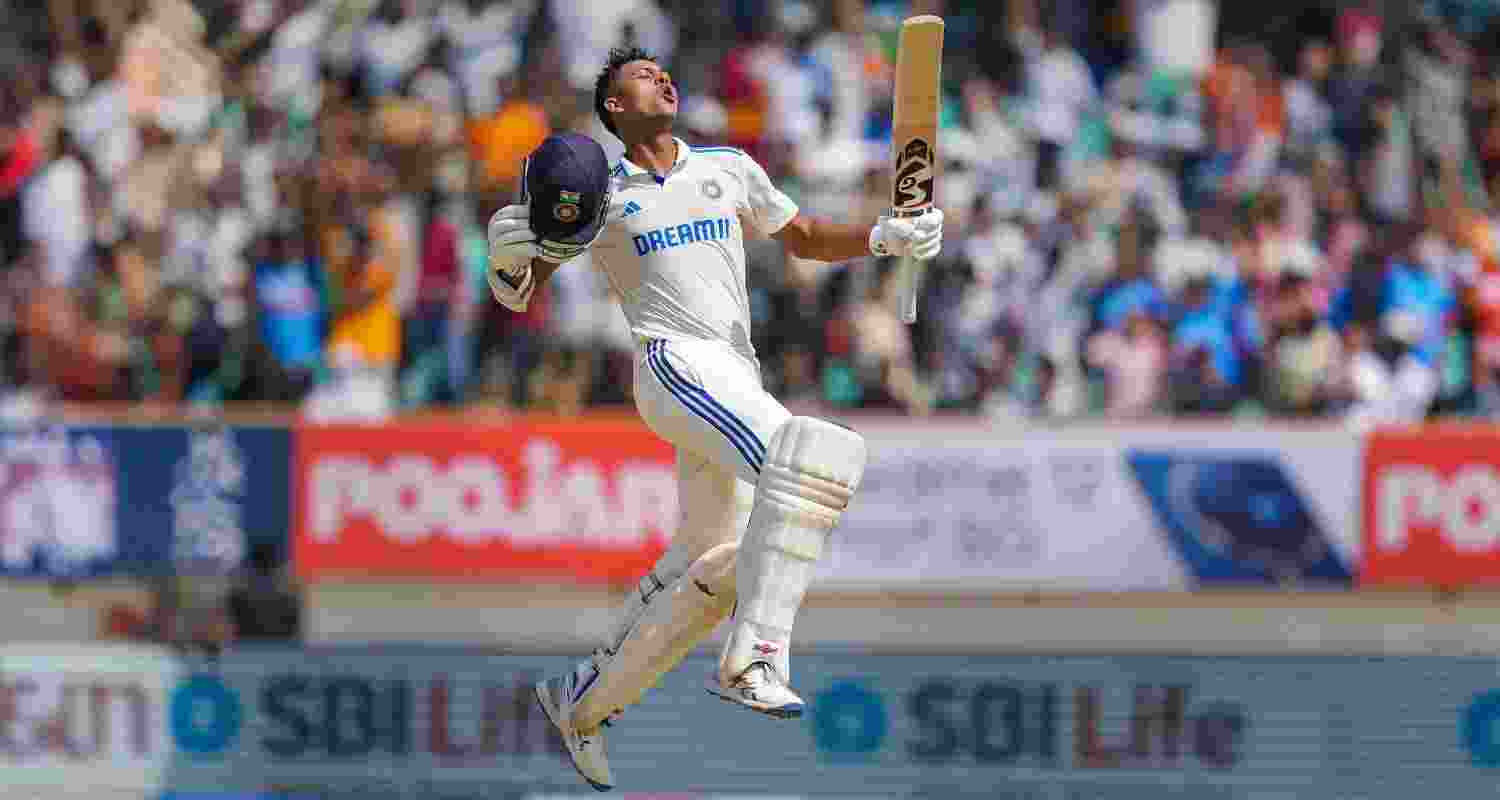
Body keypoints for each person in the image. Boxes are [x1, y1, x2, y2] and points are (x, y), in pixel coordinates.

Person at [485, 47, 942, 791]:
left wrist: (885, 235)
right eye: (641, 77)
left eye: (665, 70)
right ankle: (756, 656)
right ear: (616, 110)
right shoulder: (602, 192)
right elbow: (524, 284)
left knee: (718, 561)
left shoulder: (728, 168)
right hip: (674, 363)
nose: (662, 77)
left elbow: (805, 239)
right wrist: (507, 265)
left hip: (733, 371)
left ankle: (583, 700)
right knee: (812, 455)